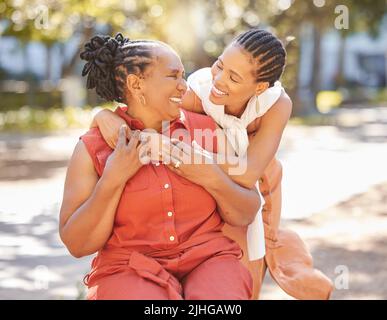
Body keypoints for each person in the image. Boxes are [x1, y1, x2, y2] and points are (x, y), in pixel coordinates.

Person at [91, 29, 334, 299]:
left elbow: (249, 171)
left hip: (261, 177)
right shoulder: (200, 90)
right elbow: (141, 102)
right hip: (223, 180)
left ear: (259, 87)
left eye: (234, 77)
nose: (219, 78)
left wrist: (178, 152)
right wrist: (101, 115)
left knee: (262, 248)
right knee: (230, 254)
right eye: (219, 64)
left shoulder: (276, 104)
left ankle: (285, 254)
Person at [59, 33, 263, 300]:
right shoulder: (93, 147)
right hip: (128, 268)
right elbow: (77, 243)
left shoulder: (206, 130)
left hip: (209, 259)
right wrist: (113, 178)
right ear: (136, 83)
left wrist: (209, 175)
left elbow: (246, 211)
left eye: (184, 77)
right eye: (173, 76)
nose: (184, 87)